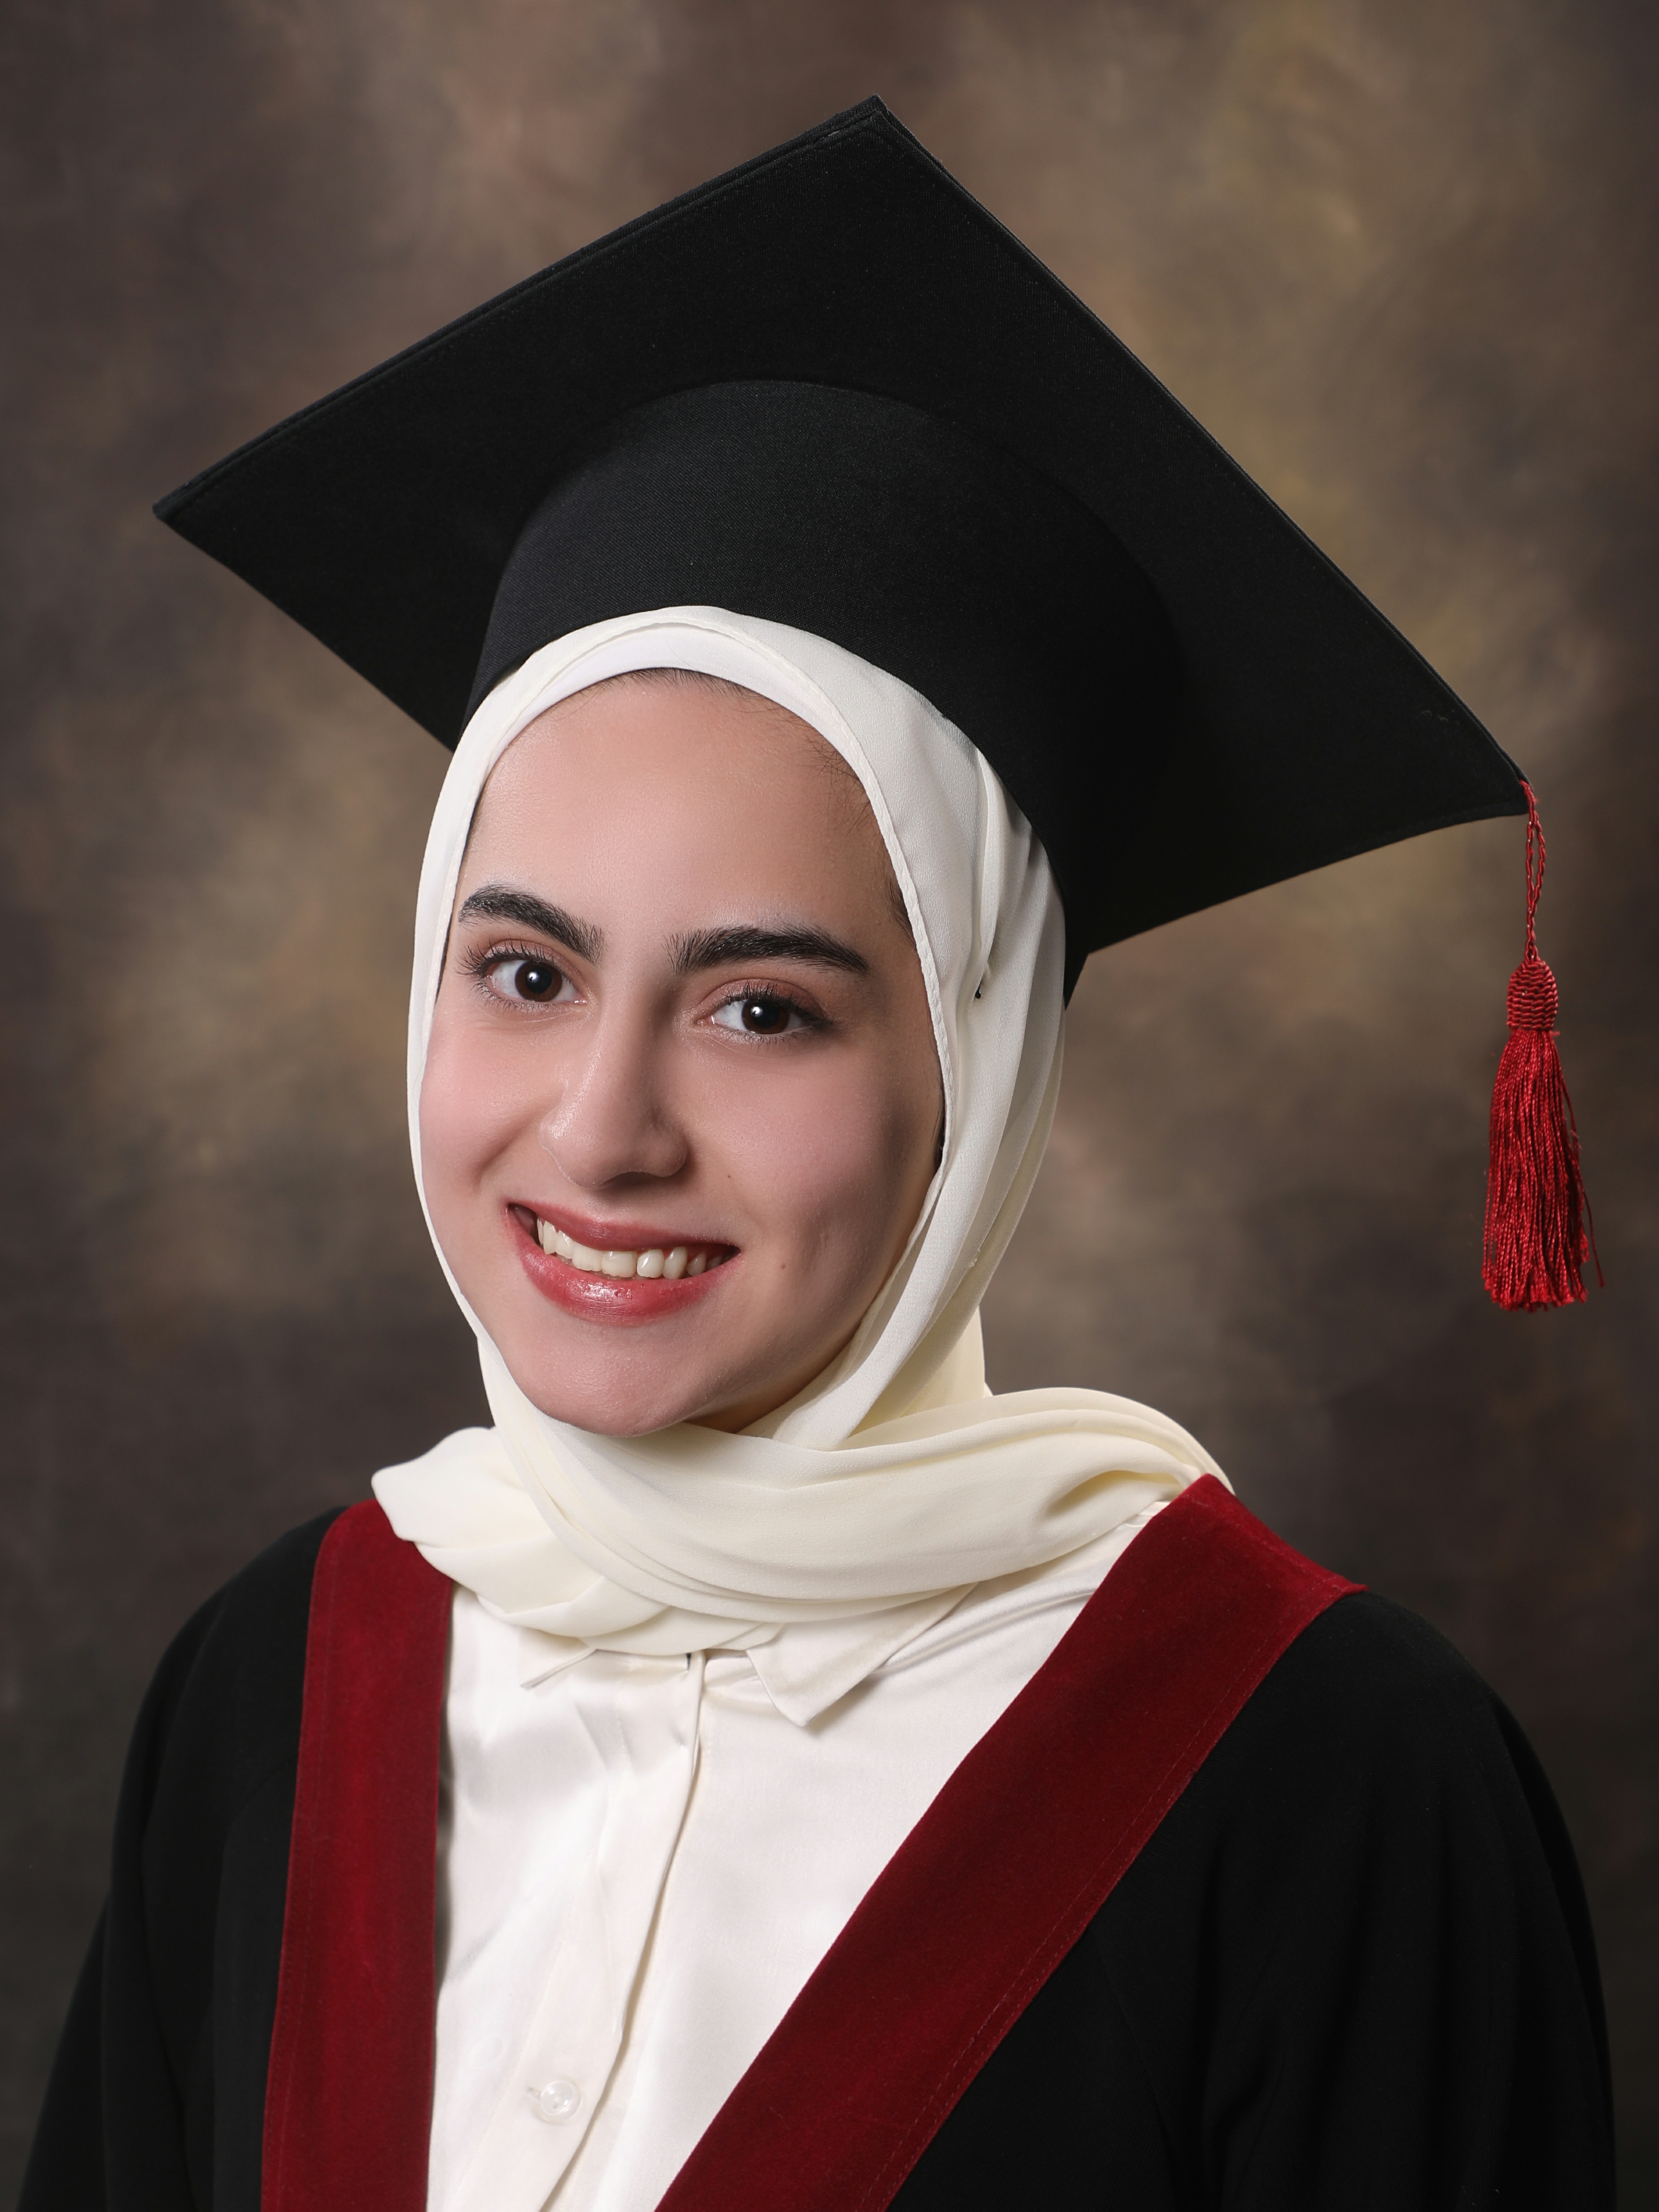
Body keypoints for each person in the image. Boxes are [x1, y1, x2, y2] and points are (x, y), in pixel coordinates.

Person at [21, 97, 1613, 2212]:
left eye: (761, 1007)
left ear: (980, 1065)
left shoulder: (1322, 1785)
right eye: (525, 972)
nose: (601, 1132)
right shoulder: (276, 1687)